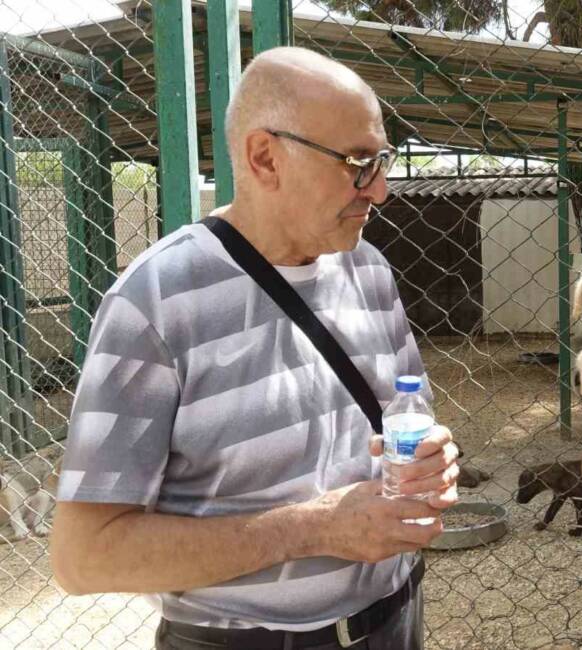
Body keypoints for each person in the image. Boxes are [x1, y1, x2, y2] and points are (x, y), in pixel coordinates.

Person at [49, 47, 459, 650]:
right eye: (359, 164)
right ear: (266, 158)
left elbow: (407, 418)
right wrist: (311, 529)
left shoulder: (366, 269)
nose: (382, 191)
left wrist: (428, 456)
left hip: (394, 620)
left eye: (383, 161)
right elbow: (84, 557)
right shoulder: (157, 301)